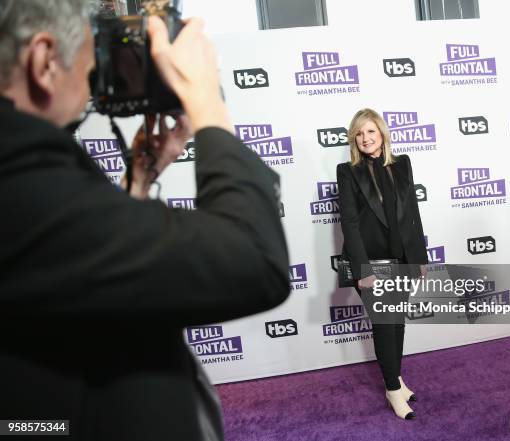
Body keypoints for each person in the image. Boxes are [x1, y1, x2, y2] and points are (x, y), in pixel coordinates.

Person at [0, 1, 290, 440]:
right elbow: (255, 258)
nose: (95, 75)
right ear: (44, 62)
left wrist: (138, 183)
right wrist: (208, 104)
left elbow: (76, 273)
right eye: (90, 53)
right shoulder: (19, 178)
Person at [336, 108, 428, 420]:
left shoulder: (402, 164)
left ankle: (397, 380)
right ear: (354, 139)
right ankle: (392, 389)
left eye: (370, 131)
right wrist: (363, 270)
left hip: (402, 257)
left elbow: (413, 213)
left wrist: (419, 258)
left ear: (382, 133)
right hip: (372, 263)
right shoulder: (347, 171)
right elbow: (349, 223)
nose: (365, 138)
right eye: (359, 134)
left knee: (397, 321)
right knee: (384, 324)